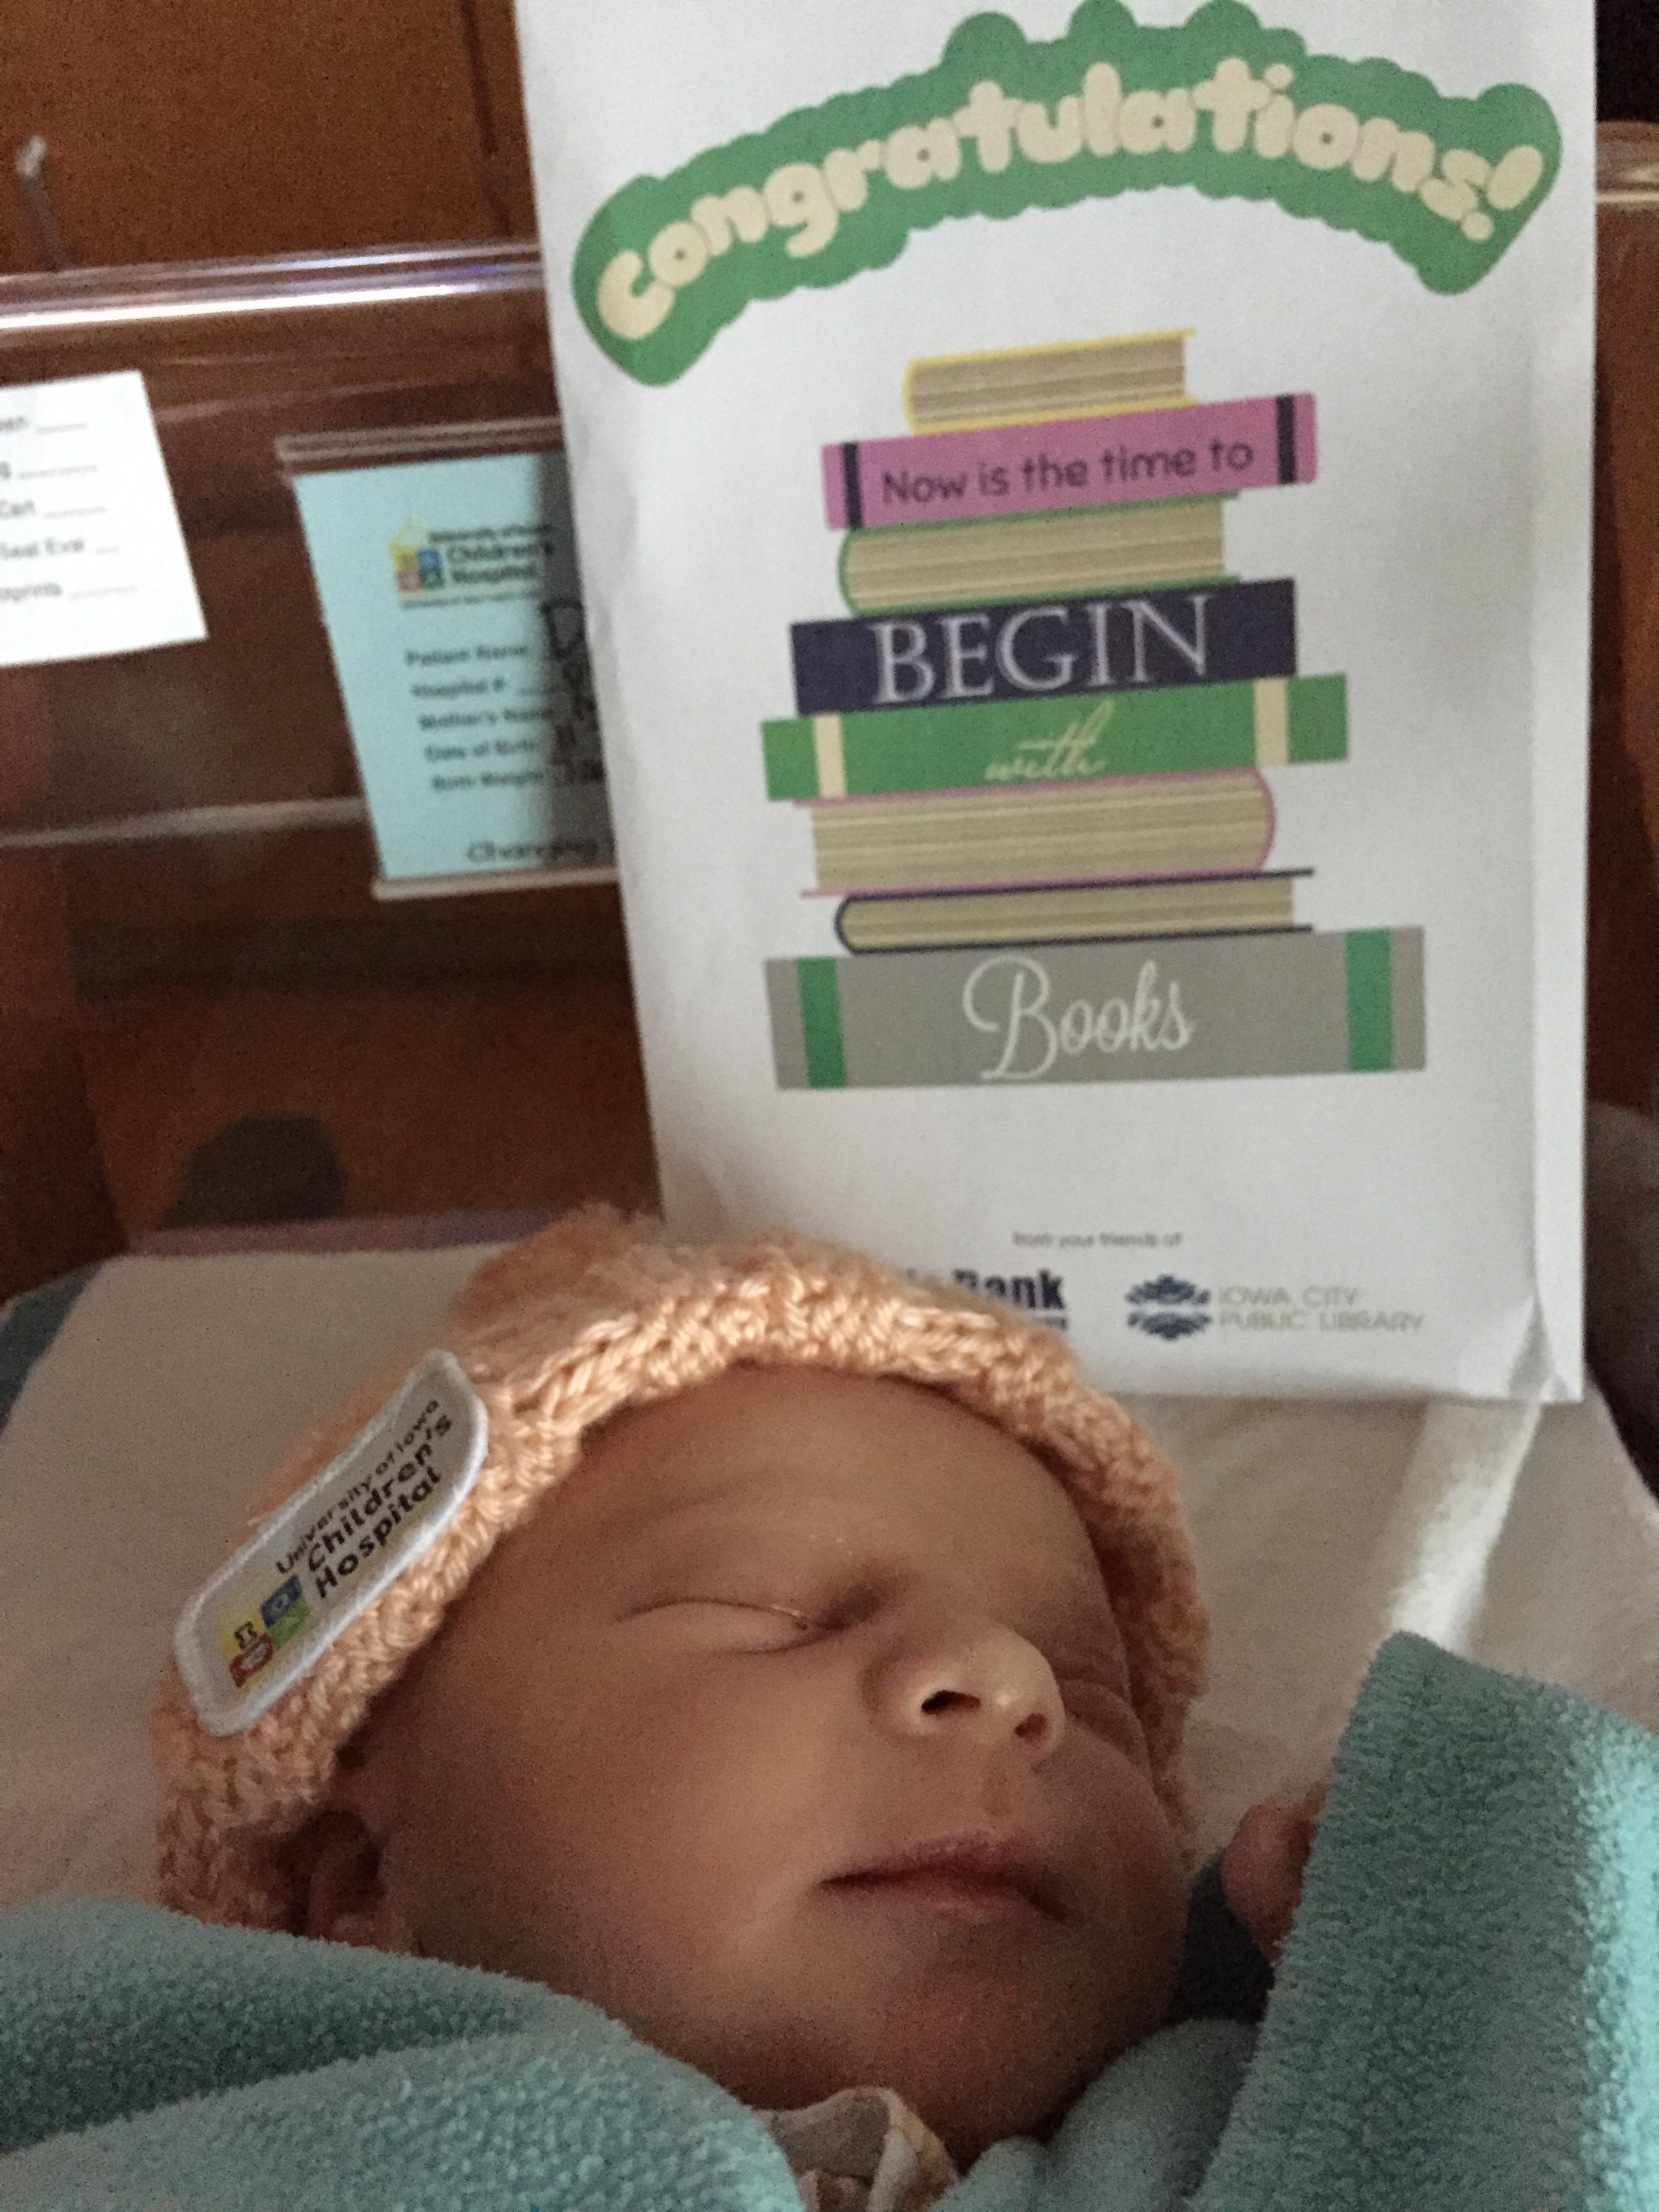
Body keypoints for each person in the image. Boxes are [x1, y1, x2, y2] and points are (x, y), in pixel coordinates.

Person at [2, 1210, 1656, 2210]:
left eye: (1087, 1696)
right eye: (775, 1611)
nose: (1006, 1688)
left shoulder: (1211, 2120)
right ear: (348, 1881)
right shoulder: (181, 2080)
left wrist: (1401, 1960)